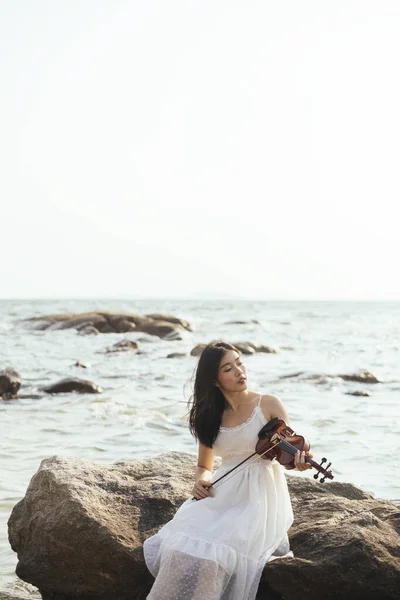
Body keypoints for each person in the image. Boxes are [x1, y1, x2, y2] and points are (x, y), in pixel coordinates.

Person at [143, 341, 312, 600]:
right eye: (228, 369)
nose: (239, 371)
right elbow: (204, 465)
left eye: (239, 363)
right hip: (222, 489)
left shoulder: (267, 404)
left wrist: (301, 463)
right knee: (179, 547)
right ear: (214, 380)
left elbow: (290, 453)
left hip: (259, 496)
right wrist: (201, 480)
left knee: (215, 558)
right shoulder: (207, 417)